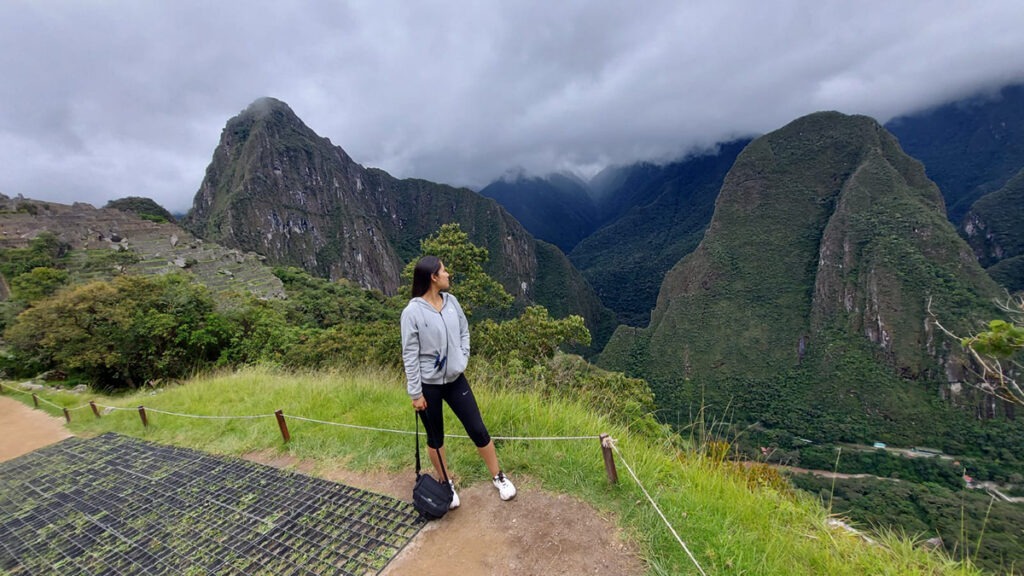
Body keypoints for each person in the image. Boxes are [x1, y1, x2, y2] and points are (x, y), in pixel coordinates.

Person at [401, 255, 516, 508]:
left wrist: (462, 357)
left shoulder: (452, 303)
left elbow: (464, 331)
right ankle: (445, 482)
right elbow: (409, 353)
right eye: (443, 271)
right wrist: (415, 393)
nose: (448, 274)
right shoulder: (412, 313)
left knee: (477, 428)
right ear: (433, 277)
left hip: (455, 379)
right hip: (428, 386)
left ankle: (498, 476)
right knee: (435, 437)